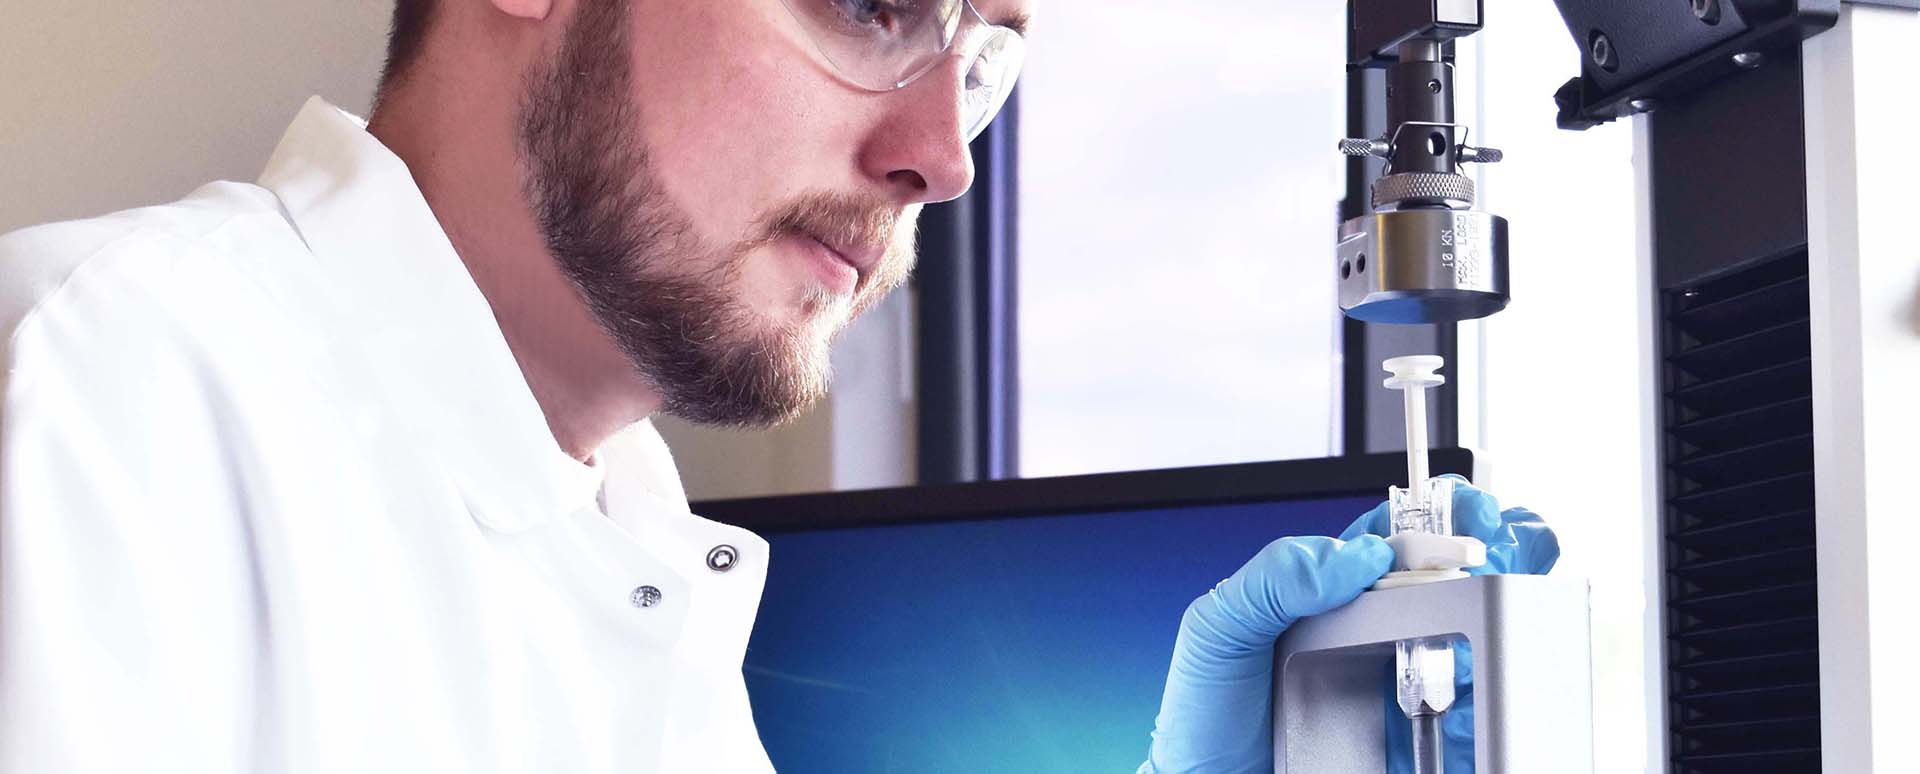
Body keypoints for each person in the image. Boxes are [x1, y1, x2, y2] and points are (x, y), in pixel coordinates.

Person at [0, 1, 1557, 771]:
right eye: (874, 4)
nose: (941, 158)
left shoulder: (630, 538)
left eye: (986, 57)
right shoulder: (109, 387)